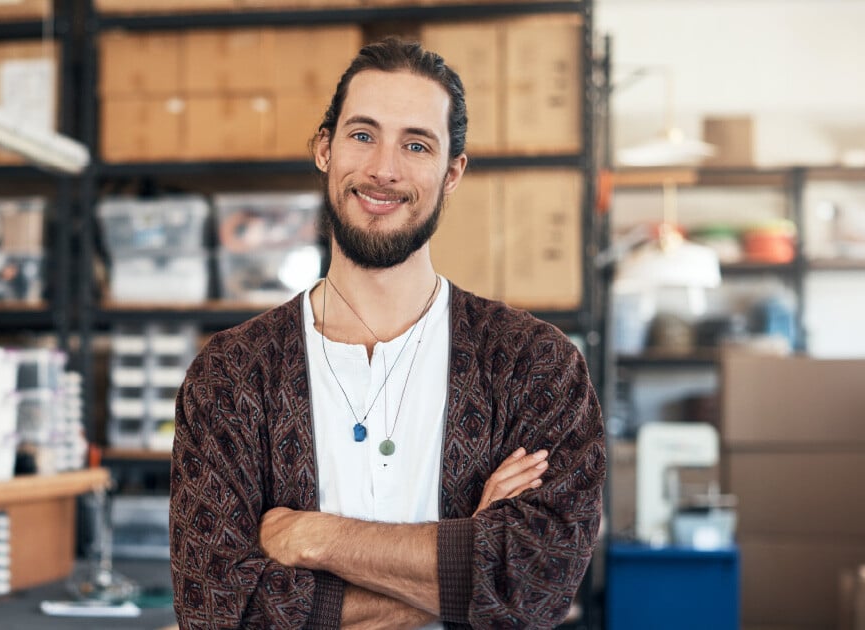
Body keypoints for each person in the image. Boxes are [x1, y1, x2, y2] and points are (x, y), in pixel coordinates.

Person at [170, 38, 606, 629]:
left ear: (452, 172)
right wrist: (469, 558)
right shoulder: (232, 373)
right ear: (324, 148)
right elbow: (219, 610)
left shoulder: (535, 365)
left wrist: (312, 537)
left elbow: (536, 591)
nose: (384, 169)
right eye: (362, 135)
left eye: (417, 144)